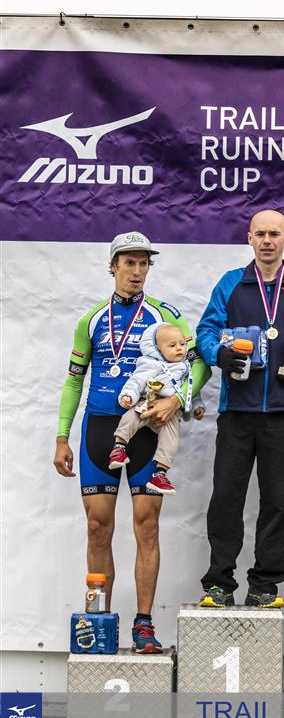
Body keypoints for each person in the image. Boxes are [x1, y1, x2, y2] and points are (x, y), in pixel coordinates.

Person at [53, 231, 210, 653]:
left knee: (147, 526)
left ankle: (144, 624)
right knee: (97, 526)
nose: (137, 271)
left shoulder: (164, 315)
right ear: (113, 267)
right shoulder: (90, 320)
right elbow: (73, 382)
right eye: (129, 263)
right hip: (100, 428)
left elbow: (200, 367)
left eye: (144, 263)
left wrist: (176, 400)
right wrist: (62, 436)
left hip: (147, 429)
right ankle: (99, 622)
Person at [196, 209, 284, 609]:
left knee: (276, 499)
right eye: (260, 234)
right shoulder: (231, 283)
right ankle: (219, 582)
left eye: (274, 234)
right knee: (226, 497)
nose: (267, 240)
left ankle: (265, 584)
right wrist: (218, 355)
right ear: (249, 238)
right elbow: (205, 331)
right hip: (237, 408)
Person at [109, 323, 205, 496]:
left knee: (171, 439)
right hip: (149, 401)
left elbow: (191, 389)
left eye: (182, 344)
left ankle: (160, 474)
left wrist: (197, 406)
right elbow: (137, 380)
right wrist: (128, 395)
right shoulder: (152, 364)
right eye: (172, 345)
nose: (179, 348)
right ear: (158, 349)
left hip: (171, 412)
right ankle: (119, 448)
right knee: (131, 417)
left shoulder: (187, 368)